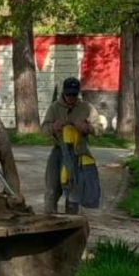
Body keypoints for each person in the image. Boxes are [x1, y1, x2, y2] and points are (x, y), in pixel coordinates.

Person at [41, 76, 103, 214]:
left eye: (74, 95)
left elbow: (99, 130)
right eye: (68, 94)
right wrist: (53, 127)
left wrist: (87, 128)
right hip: (59, 151)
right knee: (52, 187)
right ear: (63, 92)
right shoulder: (54, 108)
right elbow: (43, 129)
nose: (71, 98)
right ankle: (49, 217)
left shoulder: (86, 108)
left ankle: (72, 219)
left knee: (74, 190)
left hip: (78, 153)